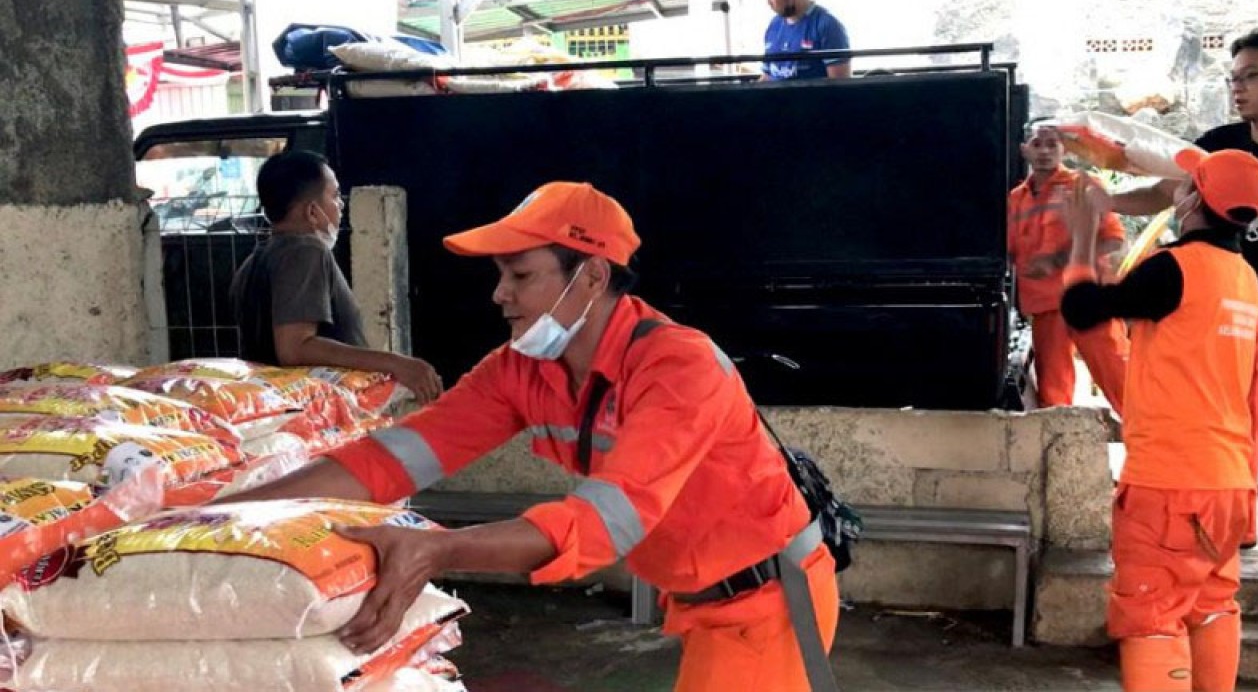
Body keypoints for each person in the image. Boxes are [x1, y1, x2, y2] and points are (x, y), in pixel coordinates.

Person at [225, 181, 840, 692]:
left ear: (593, 277)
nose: (500, 294)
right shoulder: (522, 369)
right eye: (500, 275)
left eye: (521, 274)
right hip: (701, 597)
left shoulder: (681, 369)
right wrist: (222, 513)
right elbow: (394, 457)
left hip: (766, 604)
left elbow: (602, 525)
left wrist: (438, 549)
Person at [1061, 149, 1258, 691]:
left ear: (1194, 198)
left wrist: (1083, 236)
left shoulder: (1174, 269)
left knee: (1151, 613)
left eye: (1184, 184)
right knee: (1212, 603)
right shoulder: (1246, 277)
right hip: (1228, 484)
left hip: (1169, 484)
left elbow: (1082, 310)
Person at [1109, 30, 1258, 559]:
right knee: (1227, 418)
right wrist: (1102, 201)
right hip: (1223, 307)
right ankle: (1237, 525)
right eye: (1232, 78)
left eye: (1250, 75)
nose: (1238, 87)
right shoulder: (1219, 141)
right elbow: (1166, 192)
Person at [229, 151, 442, 402]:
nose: (340, 205)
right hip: (313, 414)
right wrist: (395, 363)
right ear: (312, 212)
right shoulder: (306, 250)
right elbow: (294, 348)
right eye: (334, 195)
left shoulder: (252, 263)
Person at [1009, 121, 1130, 413]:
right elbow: (1009, 253)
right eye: (1037, 144)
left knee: (1123, 382)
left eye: (1052, 144)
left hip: (1091, 302)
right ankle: (1059, 454)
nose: (1045, 152)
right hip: (1047, 311)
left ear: (1065, 148)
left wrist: (1059, 260)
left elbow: (1114, 242)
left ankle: (1155, 441)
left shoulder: (1083, 187)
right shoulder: (1014, 200)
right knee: (1053, 398)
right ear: (1024, 150)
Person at [758, 0, 850, 81]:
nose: (768, 2)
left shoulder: (827, 26)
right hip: (774, 98)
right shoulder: (774, 26)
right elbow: (768, 76)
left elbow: (840, 86)